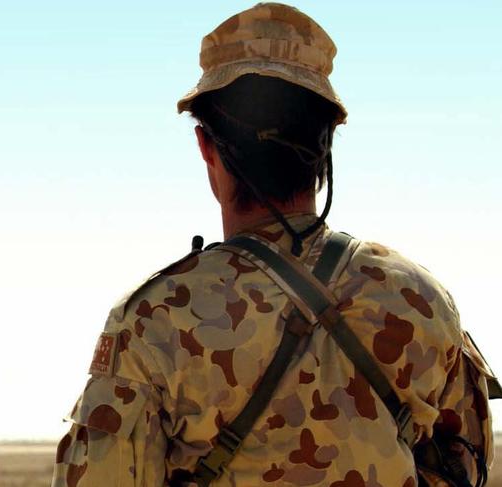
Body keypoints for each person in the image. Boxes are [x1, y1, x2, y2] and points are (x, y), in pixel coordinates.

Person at [51, 3, 495, 486]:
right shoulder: (421, 299)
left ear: (206, 146)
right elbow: (465, 465)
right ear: (326, 144)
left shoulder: (156, 319)